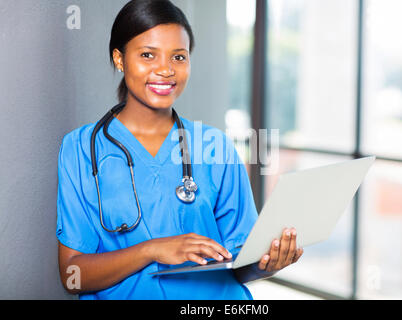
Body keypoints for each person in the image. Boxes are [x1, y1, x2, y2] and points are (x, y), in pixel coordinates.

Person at [56, 0, 303, 300]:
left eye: (179, 57)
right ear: (119, 59)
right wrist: (152, 250)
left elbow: (238, 264)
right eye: (148, 55)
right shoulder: (81, 150)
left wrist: (267, 265)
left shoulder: (215, 148)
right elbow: (72, 276)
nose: (165, 70)